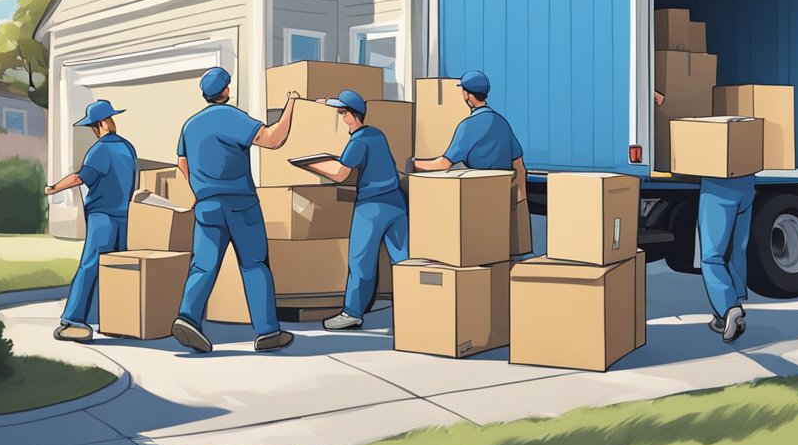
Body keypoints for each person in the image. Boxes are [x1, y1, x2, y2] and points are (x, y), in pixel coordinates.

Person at [171, 67, 300, 354]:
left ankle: (188, 317)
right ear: (226, 90)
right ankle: (267, 332)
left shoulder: (190, 125)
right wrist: (292, 104)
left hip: (206, 204)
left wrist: (198, 189)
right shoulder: (231, 117)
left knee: (203, 264)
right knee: (254, 264)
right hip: (240, 203)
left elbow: (181, 162)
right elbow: (272, 139)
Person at [300, 90, 408, 331]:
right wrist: (324, 102)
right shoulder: (377, 134)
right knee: (402, 261)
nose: (340, 117)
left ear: (349, 115)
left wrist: (312, 165)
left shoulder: (357, 140)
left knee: (361, 261)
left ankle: (352, 313)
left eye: (341, 112)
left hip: (372, 207)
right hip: (397, 203)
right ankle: (414, 309)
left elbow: (340, 175)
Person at [43, 100, 137, 343]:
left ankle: (73, 321)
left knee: (90, 265)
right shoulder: (128, 148)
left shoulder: (100, 150)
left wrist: (54, 188)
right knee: (117, 268)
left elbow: (80, 177)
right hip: (125, 216)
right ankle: (115, 320)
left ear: (99, 125)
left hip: (102, 217)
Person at [412, 70, 531, 256]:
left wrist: (413, 163)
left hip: (476, 201)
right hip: (502, 203)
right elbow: (520, 167)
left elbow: (443, 164)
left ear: (466, 94)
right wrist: (521, 200)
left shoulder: (468, 126)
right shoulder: (502, 123)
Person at [698, 175, 755, 343]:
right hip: (746, 186)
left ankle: (729, 308)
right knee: (736, 250)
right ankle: (726, 315)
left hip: (718, 187)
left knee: (711, 257)